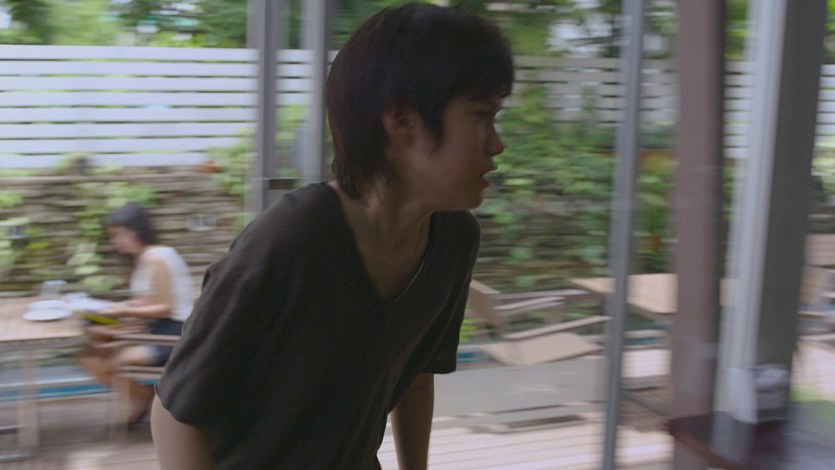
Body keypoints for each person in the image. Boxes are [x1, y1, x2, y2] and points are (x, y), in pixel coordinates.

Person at [150, 3, 514, 469]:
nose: (497, 143)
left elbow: (416, 368)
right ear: (402, 120)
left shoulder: (454, 241)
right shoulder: (294, 239)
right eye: (481, 114)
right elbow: (173, 415)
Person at [78, 202, 194, 426]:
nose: (114, 241)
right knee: (89, 356)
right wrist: (116, 309)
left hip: (172, 338)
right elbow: (147, 301)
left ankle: (142, 397)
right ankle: (140, 397)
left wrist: (124, 310)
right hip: (154, 331)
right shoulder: (144, 259)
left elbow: (166, 307)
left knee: (101, 361)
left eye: (117, 235)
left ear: (134, 232)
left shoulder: (157, 258)